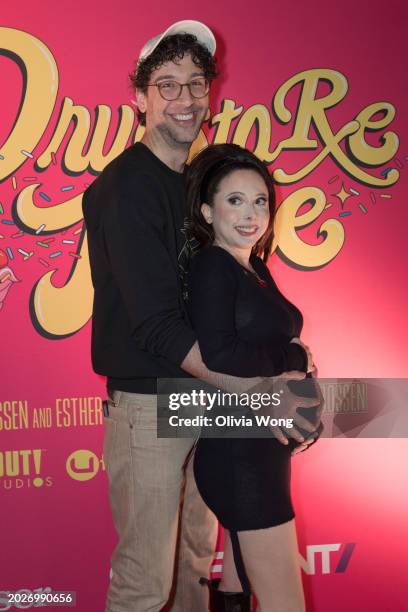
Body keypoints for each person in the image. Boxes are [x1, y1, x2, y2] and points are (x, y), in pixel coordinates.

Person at [185, 143, 323, 612]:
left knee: (237, 590)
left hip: (261, 448)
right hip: (239, 455)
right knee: (286, 604)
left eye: (260, 200)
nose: (251, 214)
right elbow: (221, 353)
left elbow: (273, 355)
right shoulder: (213, 266)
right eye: (235, 200)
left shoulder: (254, 267)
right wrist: (292, 355)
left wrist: (301, 385)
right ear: (208, 210)